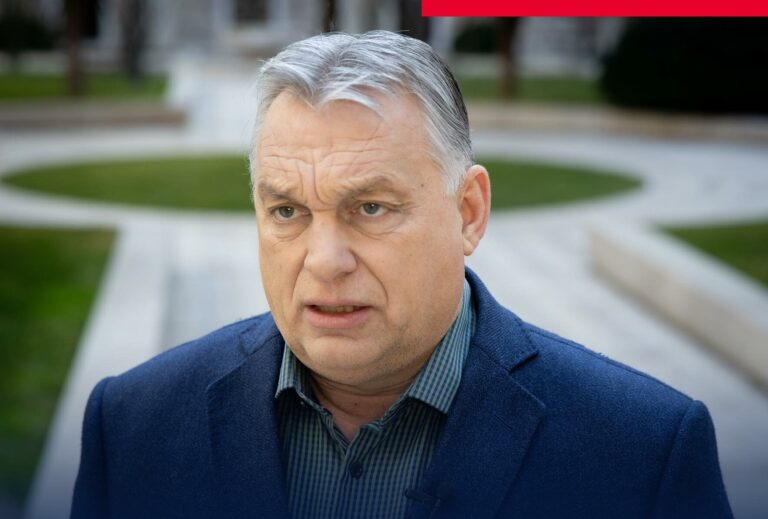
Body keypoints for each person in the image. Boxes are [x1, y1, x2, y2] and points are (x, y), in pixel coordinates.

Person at [71, 31, 732, 519]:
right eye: (287, 211)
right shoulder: (132, 427)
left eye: (370, 208)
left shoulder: (643, 453)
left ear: (468, 212)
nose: (325, 260)